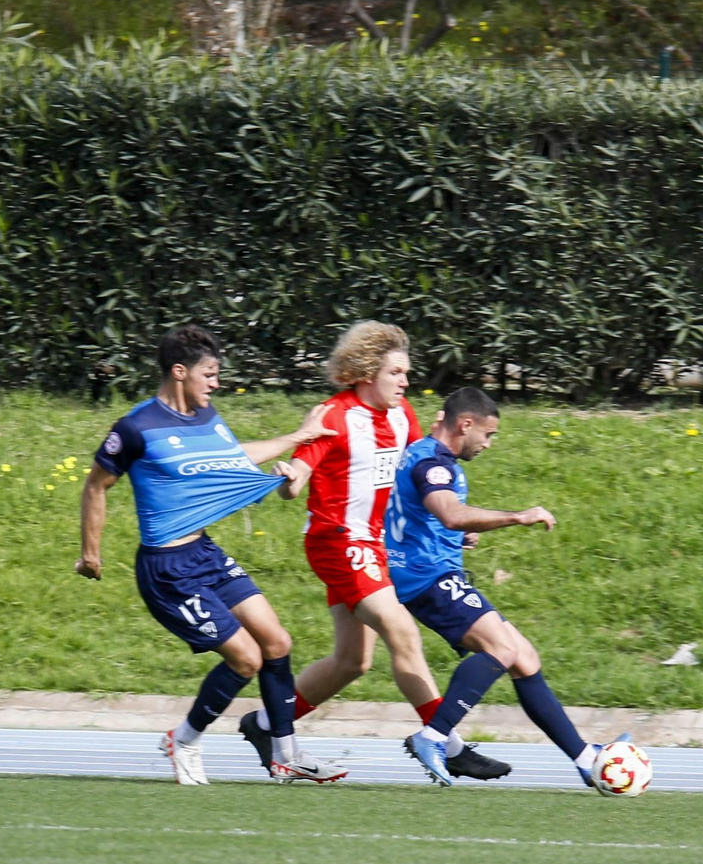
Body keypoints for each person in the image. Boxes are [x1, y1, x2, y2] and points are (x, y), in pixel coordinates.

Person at [236, 322, 510, 781]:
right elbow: (299, 476)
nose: (405, 382)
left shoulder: (402, 415)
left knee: (352, 662)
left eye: (405, 373)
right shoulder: (334, 415)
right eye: (397, 372)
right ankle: (447, 742)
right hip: (339, 540)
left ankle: (266, 725)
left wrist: (449, 531)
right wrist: (288, 481)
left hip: (374, 542)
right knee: (402, 630)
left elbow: (412, 481)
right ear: (367, 372)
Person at [76, 323, 346, 786]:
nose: (216, 383)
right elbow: (95, 485)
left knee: (277, 642)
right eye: (210, 374)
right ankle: (183, 739)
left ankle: (287, 755)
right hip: (166, 571)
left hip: (204, 553)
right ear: (179, 372)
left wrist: (296, 439)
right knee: (247, 659)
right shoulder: (136, 427)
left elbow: (234, 457)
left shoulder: (207, 417)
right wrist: (90, 553)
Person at [385, 386, 614, 789]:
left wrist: (456, 537)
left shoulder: (426, 454)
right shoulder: (435, 465)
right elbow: (450, 514)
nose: (488, 444)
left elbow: (428, 517)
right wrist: (517, 517)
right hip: (426, 577)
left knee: (524, 657)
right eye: (487, 435)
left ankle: (584, 758)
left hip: (430, 570)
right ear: (466, 424)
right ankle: (433, 737)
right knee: (502, 648)